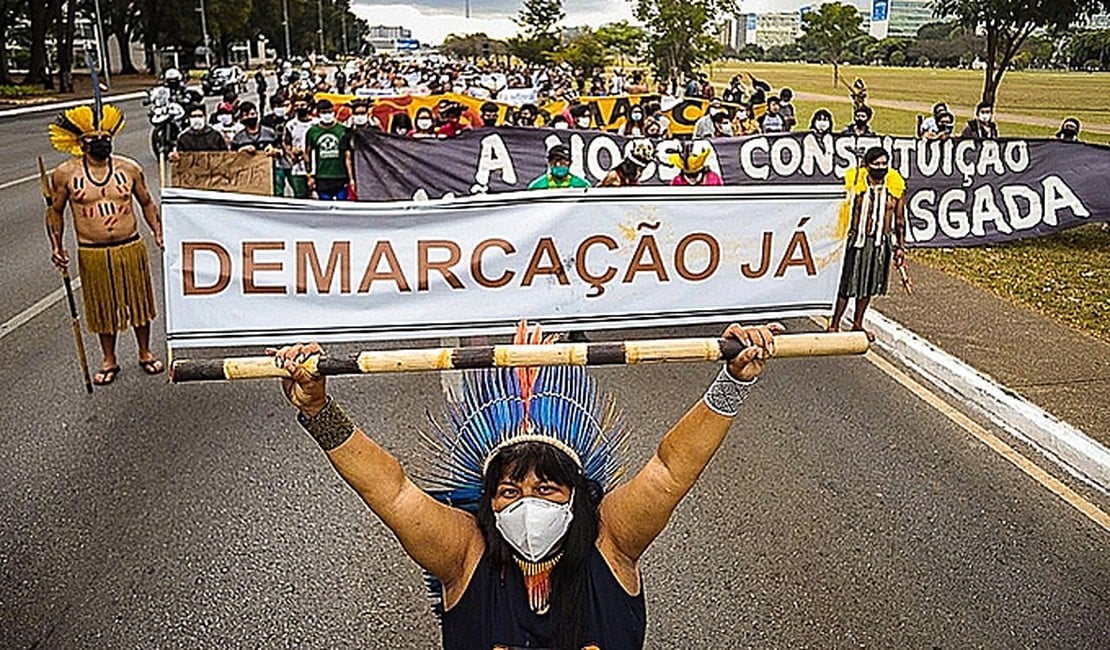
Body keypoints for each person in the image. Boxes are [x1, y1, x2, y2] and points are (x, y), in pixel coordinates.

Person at [269, 319, 778, 649]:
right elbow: (393, 491)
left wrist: (735, 381)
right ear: (488, 502)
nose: (527, 504)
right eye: (510, 492)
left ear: (576, 496)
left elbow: (670, 470)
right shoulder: (465, 554)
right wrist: (317, 410)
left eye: (548, 489)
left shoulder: (611, 542)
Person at [45, 104, 164, 385]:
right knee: (103, 307)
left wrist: (158, 231)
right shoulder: (65, 173)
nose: (102, 142)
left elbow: (147, 202)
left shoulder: (129, 168)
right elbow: (54, 212)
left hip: (130, 246)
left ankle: (145, 351)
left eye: (105, 136)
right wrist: (57, 247)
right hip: (93, 252)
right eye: (94, 138)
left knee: (139, 302)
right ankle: (109, 359)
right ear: (79, 142)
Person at [829, 146, 907, 339]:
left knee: (868, 284)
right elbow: (841, 210)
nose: (881, 167)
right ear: (866, 165)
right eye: (876, 164)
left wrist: (900, 247)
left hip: (880, 242)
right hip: (857, 240)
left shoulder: (895, 187)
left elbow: (899, 220)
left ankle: (857, 324)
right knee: (848, 283)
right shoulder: (855, 184)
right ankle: (834, 325)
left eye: (884, 163)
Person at [305, 98, 350, 200]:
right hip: (322, 176)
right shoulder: (312, 131)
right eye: (324, 112)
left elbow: (349, 155)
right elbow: (307, 154)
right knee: (325, 207)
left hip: (341, 176)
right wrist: (310, 176)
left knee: (342, 206)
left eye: (330, 112)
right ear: (318, 113)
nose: (327, 115)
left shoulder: (343, 130)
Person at [283, 95, 317, 198]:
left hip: (316, 166)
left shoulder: (316, 123)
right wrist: (291, 154)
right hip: (298, 168)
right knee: (300, 197)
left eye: (302, 105)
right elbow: (285, 142)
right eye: (297, 105)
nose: (299, 108)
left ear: (309, 106)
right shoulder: (290, 125)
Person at [343, 100, 375, 200]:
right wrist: (351, 179)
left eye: (362, 113)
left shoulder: (375, 132)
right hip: (357, 175)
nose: (360, 116)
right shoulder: (348, 135)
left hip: (373, 175)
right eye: (357, 113)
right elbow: (348, 159)